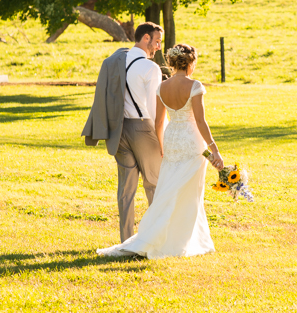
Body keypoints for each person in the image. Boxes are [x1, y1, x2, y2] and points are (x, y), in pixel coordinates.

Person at [98, 43, 225, 259]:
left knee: (169, 189)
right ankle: (181, 241)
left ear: (172, 63)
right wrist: (215, 150)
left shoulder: (161, 87)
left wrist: (162, 146)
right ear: (190, 63)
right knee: (191, 193)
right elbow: (201, 122)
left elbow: (158, 122)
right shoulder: (195, 86)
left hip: (171, 140)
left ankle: (165, 235)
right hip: (191, 141)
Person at [82, 22, 165, 242]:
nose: (158, 47)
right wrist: (163, 140)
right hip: (143, 128)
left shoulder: (116, 60)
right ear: (145, 38)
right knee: (154, 184)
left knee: (126, 190)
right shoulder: (151, 68)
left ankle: (126, 239)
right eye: (157, 41)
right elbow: (153, 109)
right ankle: (156, 239)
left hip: (118, 129)